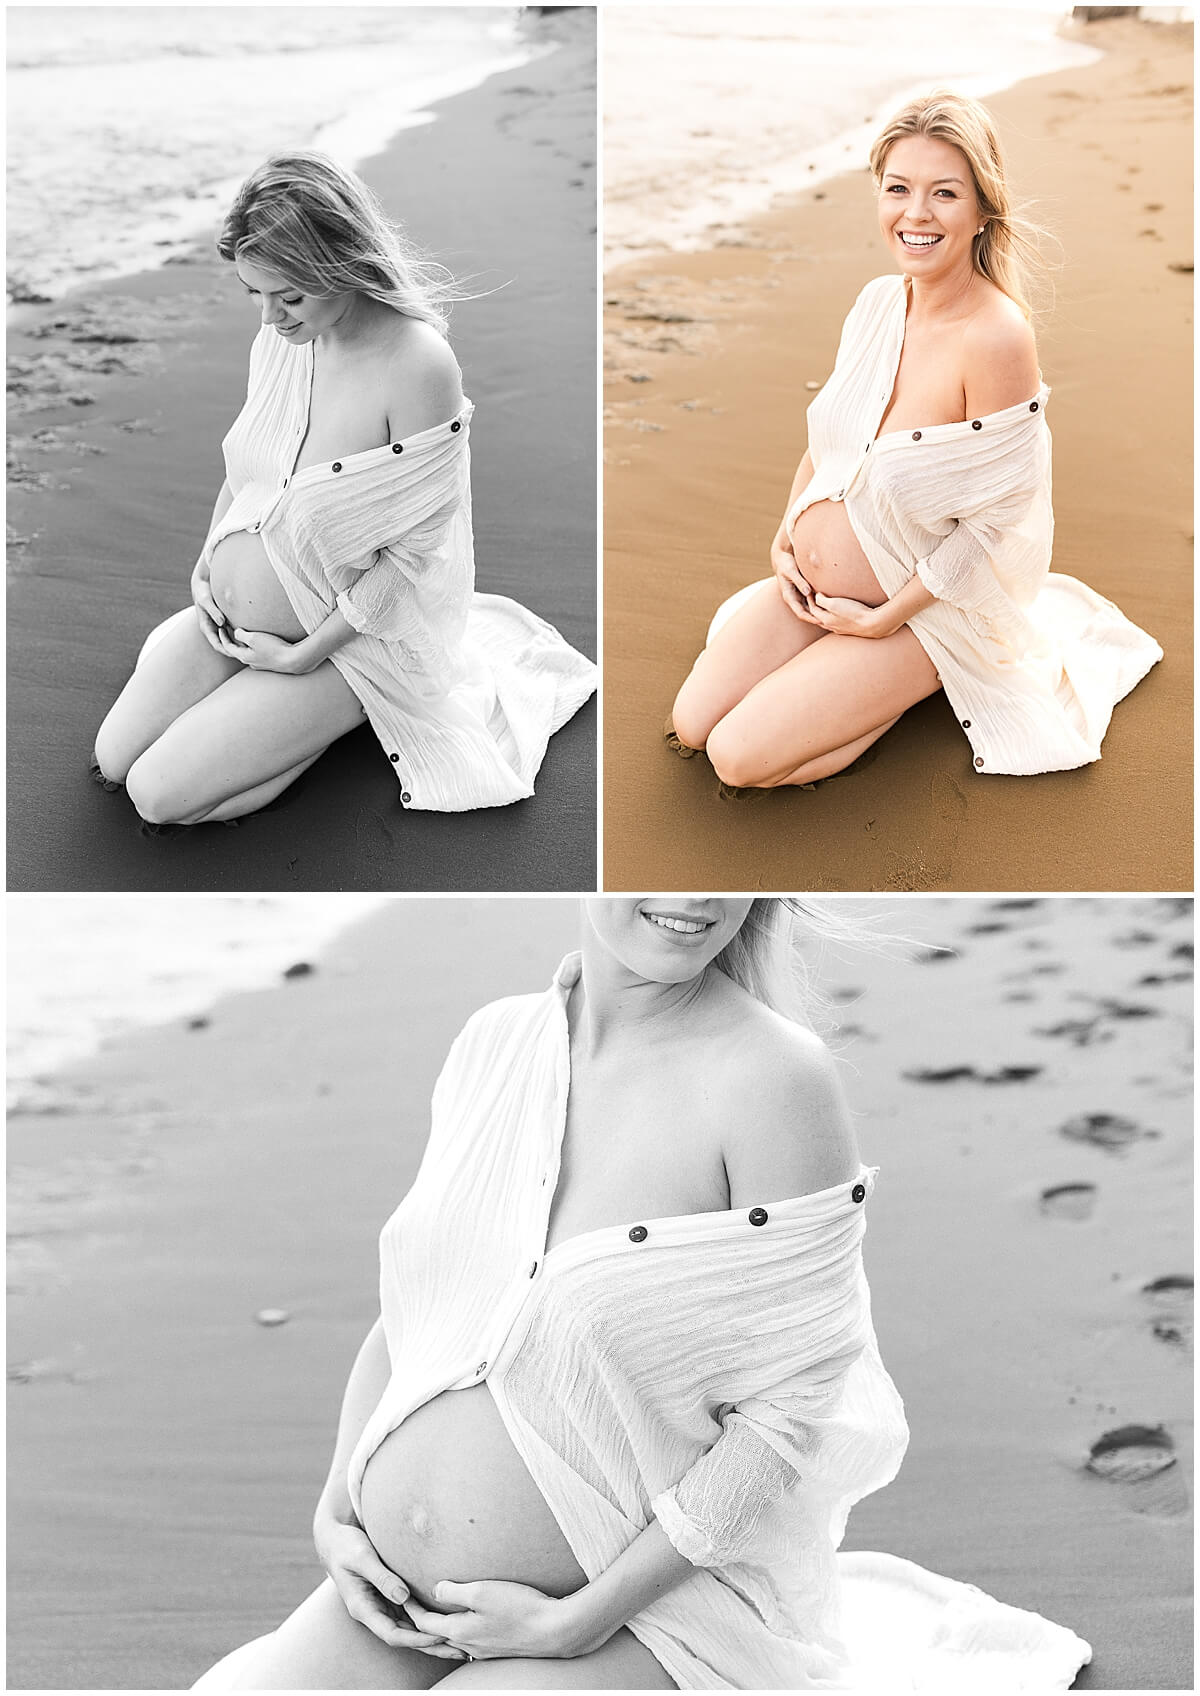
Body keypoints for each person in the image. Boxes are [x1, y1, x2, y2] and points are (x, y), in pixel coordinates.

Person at [193, 898, 1092, 1691]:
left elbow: (784, 1422)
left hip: (637, 1618)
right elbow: (417, 1320)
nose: (695, 892)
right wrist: (336, 1519)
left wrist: (576, 1621)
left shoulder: (773, 1080)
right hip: (390, 1600)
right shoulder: (494, 1044)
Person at [669, 92, 1162, 792]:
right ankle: (842, 679)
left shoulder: (996, 338)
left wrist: (882, 624)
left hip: (920, 619)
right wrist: (784, 542)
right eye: (898, 189)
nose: (916, 214)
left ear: (983, 209)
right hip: (811, 591)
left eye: (944, 193)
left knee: (737, 759)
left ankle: (914, 684)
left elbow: (994, 526)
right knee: (692, 725)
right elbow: (830, 445)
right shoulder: (876, 303)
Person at [91, 151, 596, 826]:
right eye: (255, 294)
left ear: (341, 264)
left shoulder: (416, 365)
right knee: (115, 758)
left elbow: (413, 557)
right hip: (231, 621)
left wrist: (303, 656)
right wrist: (204, 573)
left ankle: (334, 716)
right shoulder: (286, 339)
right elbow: (247, 476)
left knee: (158, 798)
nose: (270, 318)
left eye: (290, 296)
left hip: (348, 648)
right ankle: (262, 713)